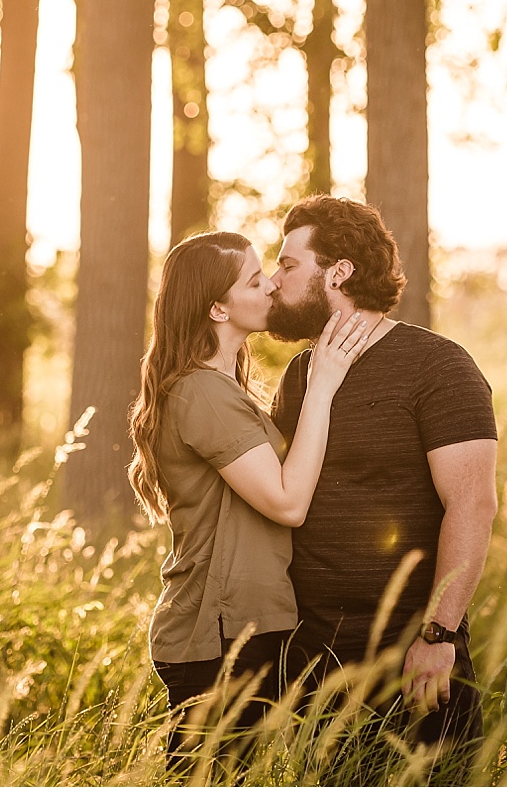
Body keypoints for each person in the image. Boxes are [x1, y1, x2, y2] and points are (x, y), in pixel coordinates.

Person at [266, 195, 499, 750]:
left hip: (413, 658)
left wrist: (438, 635)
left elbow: (473, 504)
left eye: (288, 264)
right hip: (315, 665)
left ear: (338, 273)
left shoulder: (439, 367)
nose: (274, 281)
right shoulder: (301, 376)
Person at [127, 230, 373, 745]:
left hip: (248, 625)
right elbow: (287, 503)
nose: (272, 290)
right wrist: (323, 383)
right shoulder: (202, 392)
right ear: (218, 309)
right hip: (218, 635)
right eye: (256, 281)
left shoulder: (221, 387)